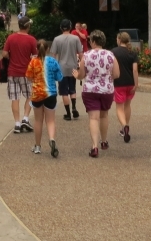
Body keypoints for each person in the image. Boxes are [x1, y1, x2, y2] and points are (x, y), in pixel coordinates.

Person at [74, 29, 119, 158]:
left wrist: (77, 75)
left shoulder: (86, 56)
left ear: (93, 41)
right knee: (104, 115)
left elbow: (81, 75)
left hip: (90, 90)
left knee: (93, 118)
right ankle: (104, 141)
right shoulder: (110, 55)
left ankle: (94, 147)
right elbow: (116, 74)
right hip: (106, 90)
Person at [25, 39, 63, 157]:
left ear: (37, 49)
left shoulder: (33, 62)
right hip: (50, 94)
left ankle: (37, 146)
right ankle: (52, 139)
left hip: (37, 94)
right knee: (50, 120)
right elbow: (59, 77)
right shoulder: (53, 61)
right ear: (48, 49)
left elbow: (29, 77)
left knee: (38, 121)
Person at [2, 15, 36, 133]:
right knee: (30, 95)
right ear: (28, 26)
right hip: (26, 73)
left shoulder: (11, 38)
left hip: (12, 72)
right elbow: (35, 56)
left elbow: (4, 53)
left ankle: (16, 123)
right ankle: (25, 118)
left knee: (15, 98)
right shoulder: (31, 40)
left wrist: (11, 57)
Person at [51, 19, 84, 120]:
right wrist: (81, 65)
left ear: (61, 28)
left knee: (64, 91)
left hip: (61, 68)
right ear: (70, 27)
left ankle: (68, 113)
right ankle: (74, 107)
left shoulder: (57, 39)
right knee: (72, 89)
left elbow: (53, 56)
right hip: (73, 67)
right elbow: (81, 53)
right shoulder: (75, 39)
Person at [112, 31, 139, 143]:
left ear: (119, 39)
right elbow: (135, 70)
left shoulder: (113, 52)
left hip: (118, 83)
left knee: (119, 107)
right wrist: (136, 84)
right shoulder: (132, 53)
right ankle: (126, 125)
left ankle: (124, 127)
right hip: (130, 83)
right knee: (127, 105)